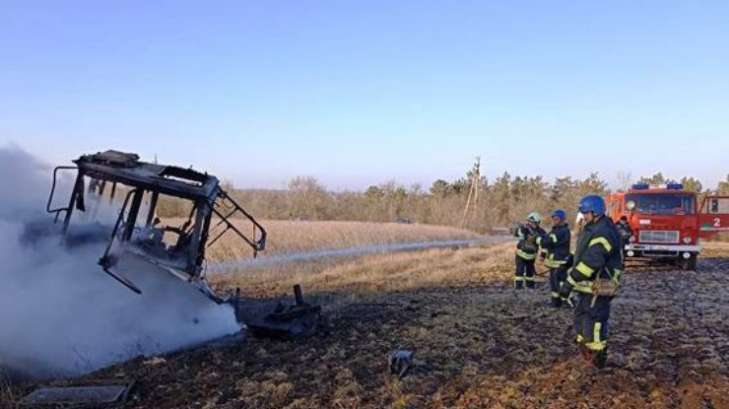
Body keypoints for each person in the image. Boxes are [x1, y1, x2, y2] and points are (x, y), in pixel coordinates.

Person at [559, 195, 624, 369]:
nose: (583, 216)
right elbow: (585, 252)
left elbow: (592, 261)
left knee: (594, 321)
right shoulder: (592, 228)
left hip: (601, 284)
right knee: (581, 317)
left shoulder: (605, 232)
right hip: (589, 285)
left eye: (585, 213)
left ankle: (597, 357)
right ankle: (585, 350)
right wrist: (571, 260)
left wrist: (570, 281)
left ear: (595, 212)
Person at [537, 209, 572, 307]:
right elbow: (548, 245)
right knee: (553, 283)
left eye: (557, 219)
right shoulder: (555, 230)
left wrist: (537, 239)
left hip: (560, 263)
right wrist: (543, 255)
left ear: (562, 219)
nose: (554, 220)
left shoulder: (562, 231)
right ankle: (555, 301)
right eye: (553, 218)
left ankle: (567, 301)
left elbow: (547, 242)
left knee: (560, 282)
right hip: (554, 263)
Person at [513, 212, 546, 289]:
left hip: (531, 257)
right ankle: (518, 287)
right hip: (520, 255)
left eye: (532, 222)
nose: (529, 223)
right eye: (529, 221)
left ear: (537, 223)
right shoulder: (524, 229)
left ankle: (530, 286)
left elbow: (545, 245)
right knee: (519, 271)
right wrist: (520, 230)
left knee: (530, 272)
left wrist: (543, 255)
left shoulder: (541, 232)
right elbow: (516, 234)